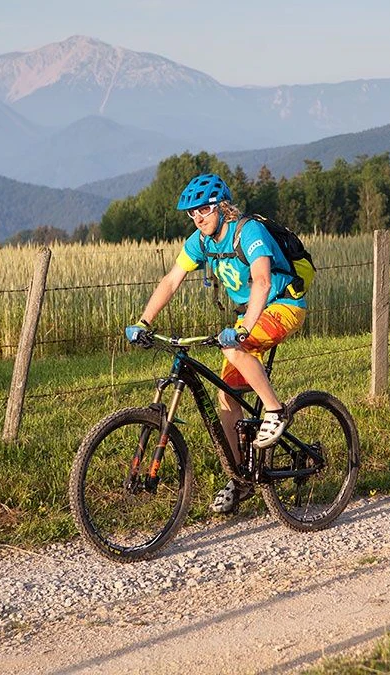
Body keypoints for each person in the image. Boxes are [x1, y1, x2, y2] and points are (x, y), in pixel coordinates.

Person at [124, 173, 307, 513]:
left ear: (222, 207)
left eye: (204, 210)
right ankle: (241, 481)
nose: (198, 218)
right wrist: (143, 321)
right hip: (249, 316)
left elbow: (263, 282)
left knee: (233, 348)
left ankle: (276, 411)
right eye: (192, 213)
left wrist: (243, 329)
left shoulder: (247, 231)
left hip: (282, 306)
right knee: (226, 396)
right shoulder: (200, 241)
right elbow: (171, 280)